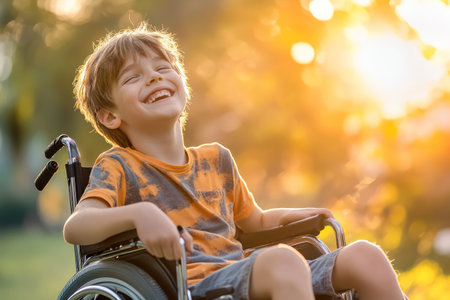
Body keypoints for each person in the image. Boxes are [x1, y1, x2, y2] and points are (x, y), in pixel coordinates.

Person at [63, 22, 407, 300]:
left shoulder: (217, 159)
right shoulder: (119, 166)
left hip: (245, 271)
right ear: (110, 116)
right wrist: (140, 214)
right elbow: (76, 227)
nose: (154, 77)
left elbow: (253, 221)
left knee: (366, 256)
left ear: (181, 83)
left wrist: (291, 215)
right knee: (284, 260)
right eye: (133, 77)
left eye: (162, 68)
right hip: (192, 286)